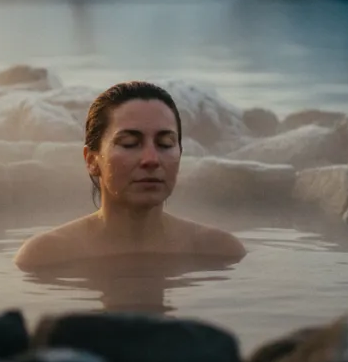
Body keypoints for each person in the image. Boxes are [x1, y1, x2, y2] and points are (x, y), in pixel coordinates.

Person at [14, 80, 247, 270]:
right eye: (129, 143)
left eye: (165, 144)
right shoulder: (45, 256)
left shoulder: (220, 251)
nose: (151, 159)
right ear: (92, 160)